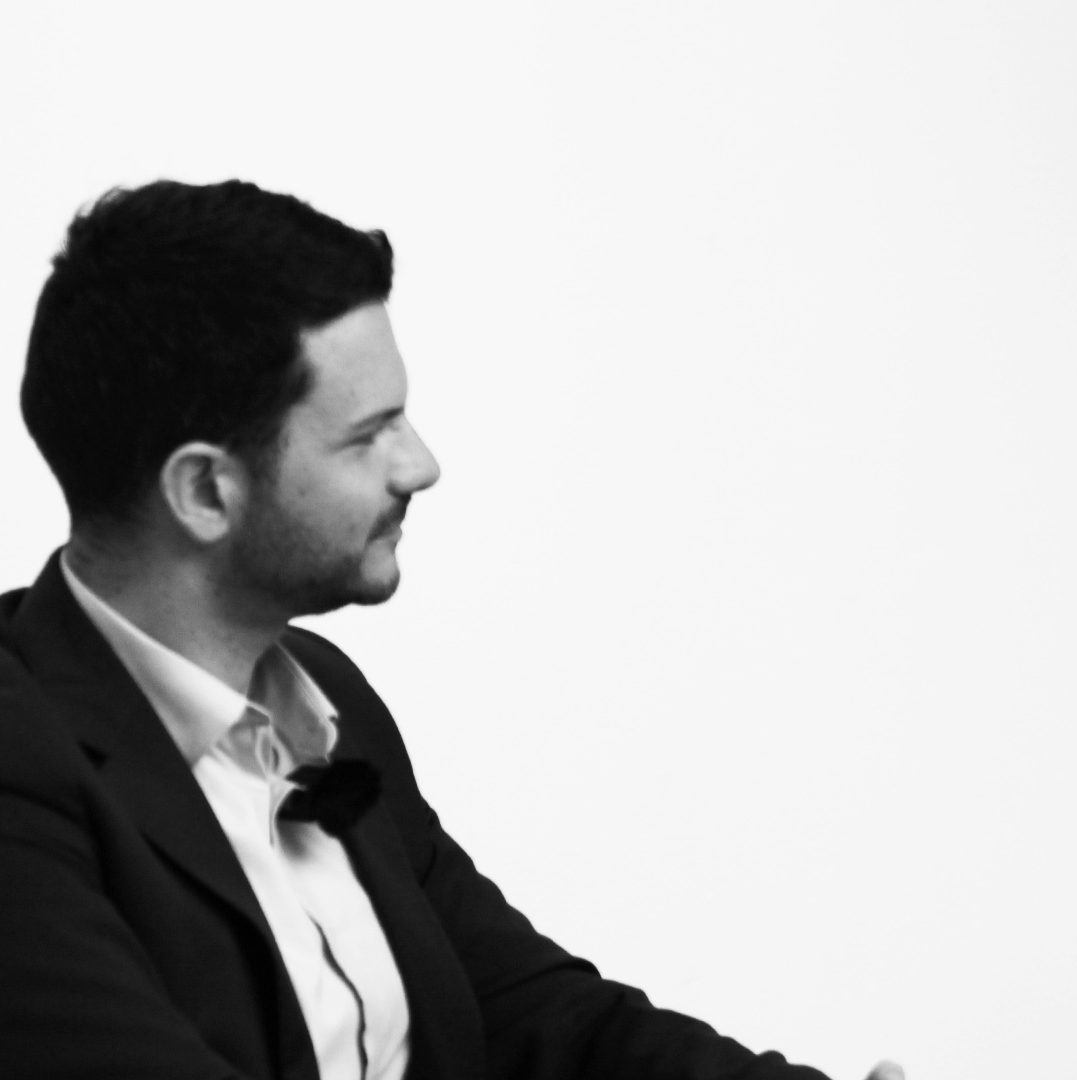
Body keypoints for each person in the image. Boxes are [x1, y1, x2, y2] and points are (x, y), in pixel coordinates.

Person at [0, 179, 902, 1080]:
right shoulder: (18, 764)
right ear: (204, 491)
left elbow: (531, 1015)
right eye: (369, 434)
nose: (421, 466)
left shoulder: (326, 697)